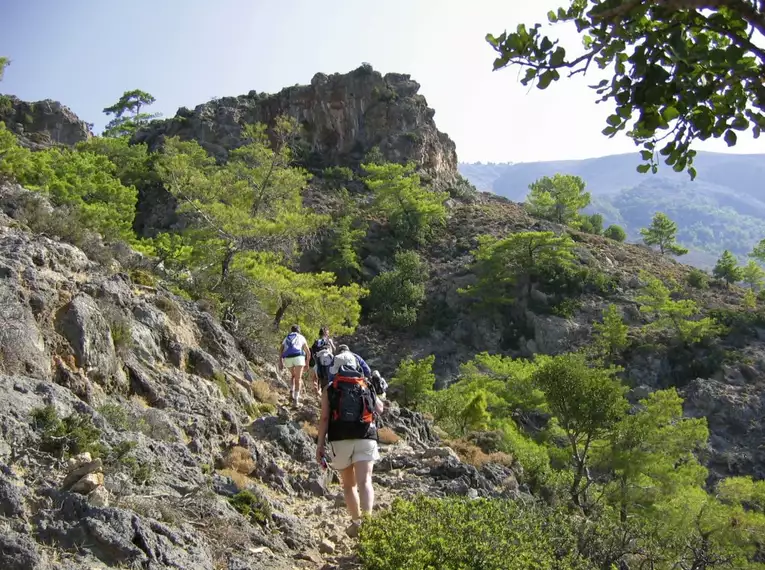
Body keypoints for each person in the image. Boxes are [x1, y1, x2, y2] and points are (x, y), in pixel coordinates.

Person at [316, 347, 384, 538]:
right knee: (365, 481)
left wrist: (320, 445)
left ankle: (356, 522)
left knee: (348, 485)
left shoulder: (329, 389)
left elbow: (324, 419)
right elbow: (379, 408)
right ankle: (368, 520)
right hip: (365, 436)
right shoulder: (366, 385)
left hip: (340, 439)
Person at [277, 325, 311, 407]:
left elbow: (281, 350)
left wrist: (280, 362)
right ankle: (296, 400)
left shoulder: (286, 337)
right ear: (299, 330)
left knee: (293, 375)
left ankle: (291, 393)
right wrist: (307, 363)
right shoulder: (301, 337)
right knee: (298, 379)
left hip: (288, 359)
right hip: (299, 358)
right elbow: (308, 352)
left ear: (291, 330)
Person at [309, 327, 336, 394]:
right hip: (328, 361)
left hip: (317, 361)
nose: (328, 334)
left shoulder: (316, 341)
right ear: (325, 333)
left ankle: (317, 391)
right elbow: (334, 349)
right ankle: (324, 392)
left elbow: (312, 351)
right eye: (328, 332)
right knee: (327, 377)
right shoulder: (328, 340)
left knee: (317, 376)